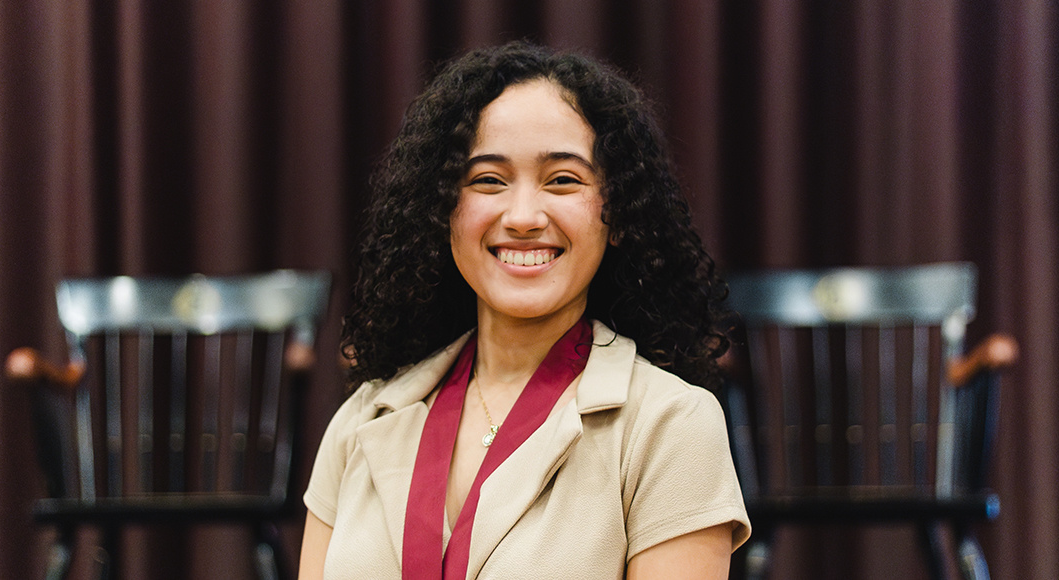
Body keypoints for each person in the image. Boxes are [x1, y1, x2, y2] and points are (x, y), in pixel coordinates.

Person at [299, 41, 750, 579]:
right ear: (441, 208)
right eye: (488, 180)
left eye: (563, 180)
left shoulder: (672, 424)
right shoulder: (364, 418)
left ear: (619, 212)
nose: (523, 216)